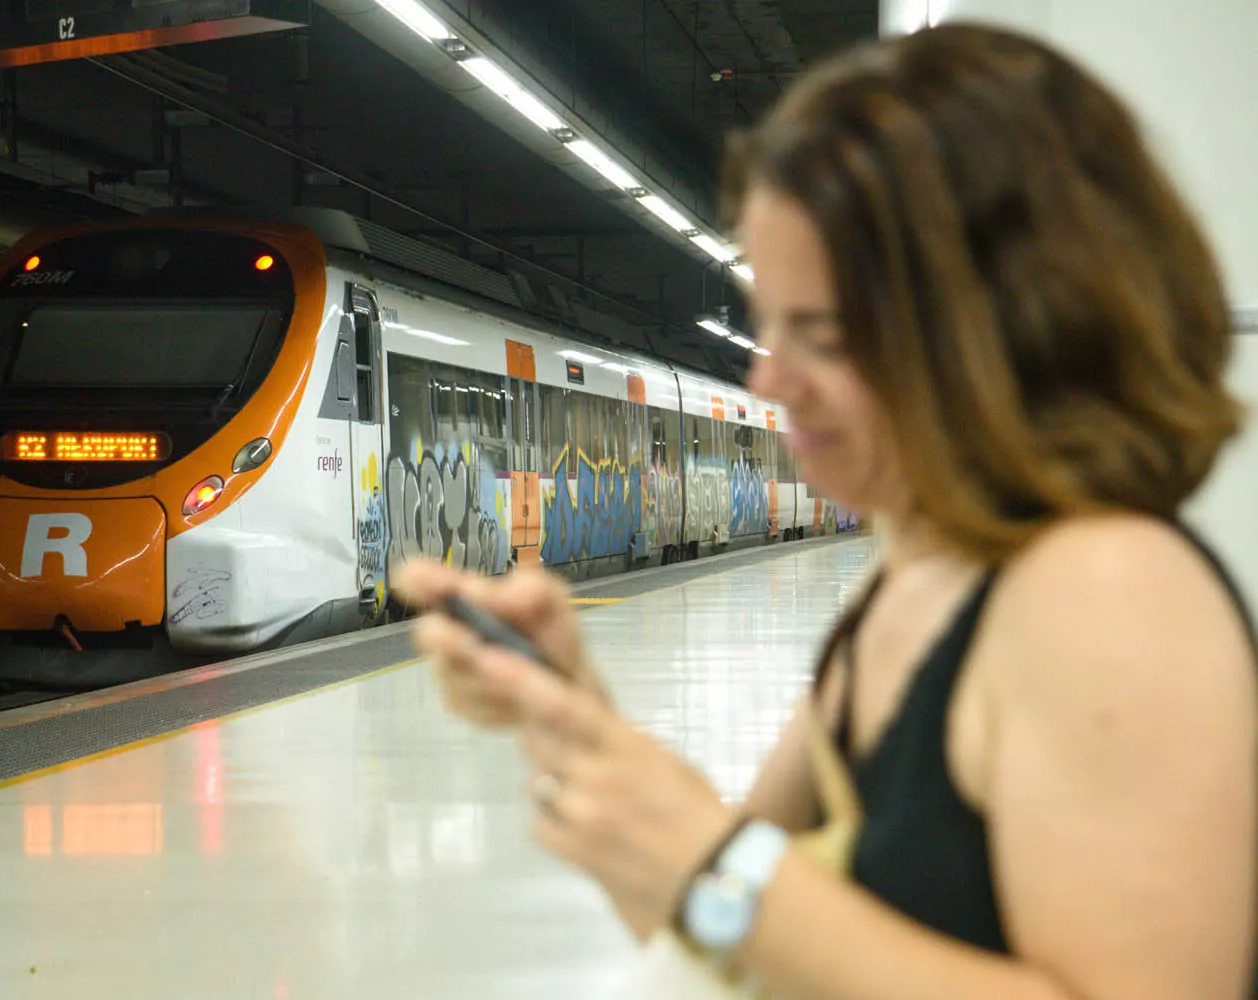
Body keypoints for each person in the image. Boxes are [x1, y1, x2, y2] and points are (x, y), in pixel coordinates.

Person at [393, 21, 1257, 1000]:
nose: (771, 379)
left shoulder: (1109, 593)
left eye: (826, 335)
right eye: (770, 328)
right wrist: (568, 720)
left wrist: (716, 868)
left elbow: (734, 893)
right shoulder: (913, 583)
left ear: (1007, 327)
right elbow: (725, 945)